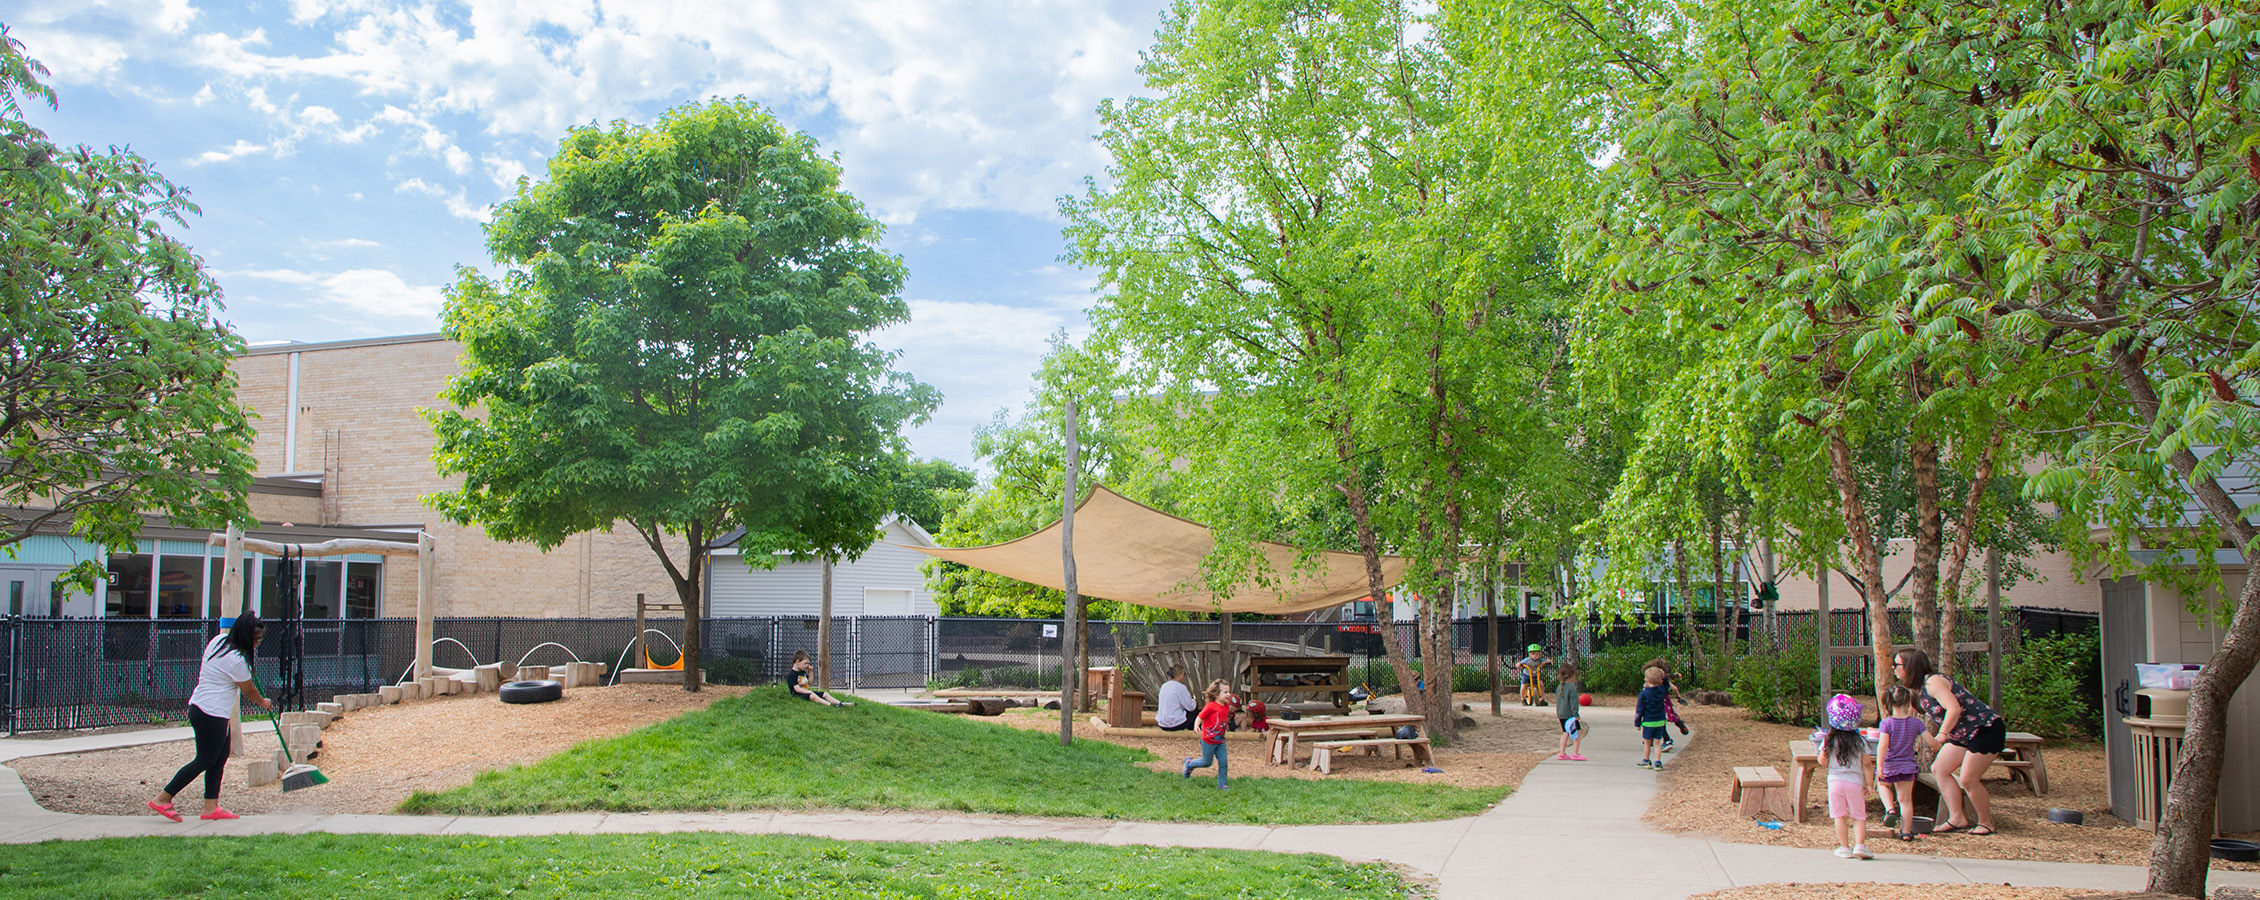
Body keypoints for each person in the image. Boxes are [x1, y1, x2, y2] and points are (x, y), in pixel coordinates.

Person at [150, 613, 271, 822]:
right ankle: (163, 798)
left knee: (218, 759)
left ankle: (211, 806)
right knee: (205, 759)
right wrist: (263, 701)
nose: (258, 643)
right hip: (211, 713)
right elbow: (248, 689)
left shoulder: (218, 642)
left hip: (205, 708)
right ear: (244, 635)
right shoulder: (236, 660)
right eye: (255, 639)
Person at [1897, 648, 2003, 836]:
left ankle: (1986, 823)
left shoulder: (1933, 682)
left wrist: (1943, 734)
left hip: (1985, 729)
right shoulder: (1918, 689)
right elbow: (1910, 714)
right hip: (1963, 734)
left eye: (1897, 665)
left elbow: (1953, 708)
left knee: (1968, 778)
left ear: (1910, 666)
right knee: (1939, 769)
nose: (1894, 668)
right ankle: (1957, 818)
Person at [1812, 693, 1875, 859]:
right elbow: (1867, 763)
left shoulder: (1829, 740)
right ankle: (1860, 845)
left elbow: (1822, 762)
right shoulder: (1860, 741)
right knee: (1858, 816)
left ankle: (1844, 847)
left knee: (1839, 816)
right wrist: (1869, 783)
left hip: (1835, 782)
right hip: (1854, 782)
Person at [1874, 685, 1925, 842]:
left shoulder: (1887, 723)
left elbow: (1883, 745)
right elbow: (1931, 741)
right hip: (1908, 766)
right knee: (1906, 800)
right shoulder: (1916, 724)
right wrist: (1940, 743)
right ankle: (1907, 832)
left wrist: (1880, 765)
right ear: (1909, 701)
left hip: (1890, 764)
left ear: (1889, 702)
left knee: (1883, 785)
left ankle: (1890, 809)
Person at [1181, 680, 1232, 789]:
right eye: (1225, 692)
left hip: (1220, 740)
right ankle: (1189, 764)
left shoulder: (1226, 707)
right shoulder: (1211, 706)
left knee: (1223, 762)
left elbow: (1221, 719)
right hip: (1208, 740)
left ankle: (1222, 784)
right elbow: (1200, 716)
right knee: (1206, 762)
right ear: (1217, 695)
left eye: (1229, 692)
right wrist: (1196, 726)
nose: (1229, 695)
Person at [1643, 655, 1688, 752]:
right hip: (1665, 702)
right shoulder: (1663, 684)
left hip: (1654, 706)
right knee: (1670, 716)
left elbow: (1644, 694)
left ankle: (1665, 740)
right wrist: (1678, 697)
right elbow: (1675, 688)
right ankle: (1679, 723)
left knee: (1657, 722)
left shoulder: (1648, 685)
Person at [1635, 666, 1670, 770]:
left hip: (1648, 721)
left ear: (1646, 679)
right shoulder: (1661, 691)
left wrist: (1637, 722)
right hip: (1659, 721)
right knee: (1657, 743)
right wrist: (1665, 678)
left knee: (1647, 743)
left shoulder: (1644, 694)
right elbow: (1666, 686)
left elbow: (1639, 709)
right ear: (1660, 680)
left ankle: (1646, 760)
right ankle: (1658, 761)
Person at [1554, 661, 1585, 761]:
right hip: (1570, 715)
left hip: (1561, 714)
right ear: (1572, 676)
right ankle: (1575, 753)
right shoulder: (1571, 688)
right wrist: (1576, 714)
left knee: (1565, 732)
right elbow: (1573, 703)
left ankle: (1562, 753)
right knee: (1577, 732)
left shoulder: (1559, 687)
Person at [1155, 665, 1198, 732]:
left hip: (1162, 724)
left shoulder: (1164, 686)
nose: (1184, 676)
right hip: (1176, 724)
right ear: (1179, 674)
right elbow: (1190, 707)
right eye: (1184, 674)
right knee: (1194, 707)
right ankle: (1195, 728)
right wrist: (1194, 701)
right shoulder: (1181, 687)